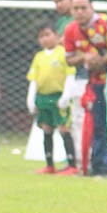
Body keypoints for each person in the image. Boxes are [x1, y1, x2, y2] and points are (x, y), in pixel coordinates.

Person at [65, 0, 107, 177]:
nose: (79, 12)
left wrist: (103, 60)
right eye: (75, 8)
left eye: (83, 7)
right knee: (96, 123)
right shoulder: (71, 30)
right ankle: (97, 165)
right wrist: (85, 58)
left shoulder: (106, 23)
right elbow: (69, 59)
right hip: (91, 84)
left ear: (91, 7)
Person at [25, 24, 79, 175]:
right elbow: (33, 79)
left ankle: (72, 165)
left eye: (47, 34)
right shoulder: (39, 57)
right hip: (43, 98)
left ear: (56, 35)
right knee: (46, 128)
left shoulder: (63, 53)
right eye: (41, 36)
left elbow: (70, 75)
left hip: (58, 97)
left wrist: (65, 96)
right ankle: (49, 165)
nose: (45, 39)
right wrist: (31, 99)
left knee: (64, 129)